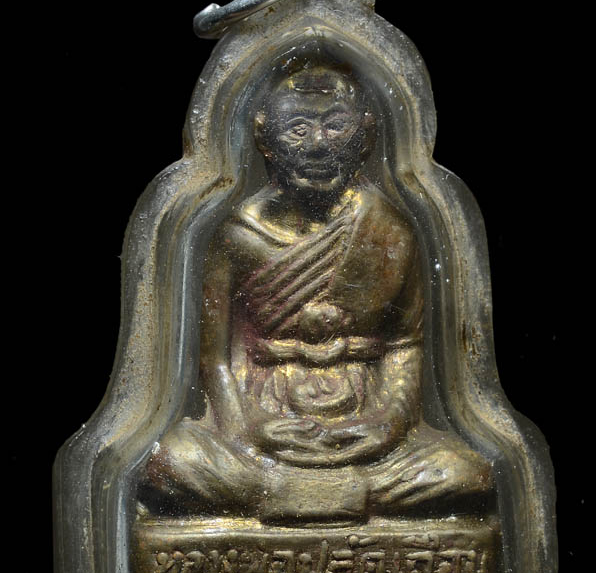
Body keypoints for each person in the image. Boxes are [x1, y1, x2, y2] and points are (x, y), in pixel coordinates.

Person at [141, 52, 493, 523]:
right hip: (266, 429)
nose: (317, 146)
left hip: (363, 430)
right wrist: (251, 429)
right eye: (297, 129)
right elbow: (215, 358)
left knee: (464, 470)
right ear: (264, 138)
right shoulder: (237, 236)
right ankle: (328, 496)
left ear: (366, 134)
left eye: (336, 126)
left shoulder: (387, 229)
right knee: (173, 460)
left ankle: (292, 497)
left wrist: (388, 426)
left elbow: (403, 344)